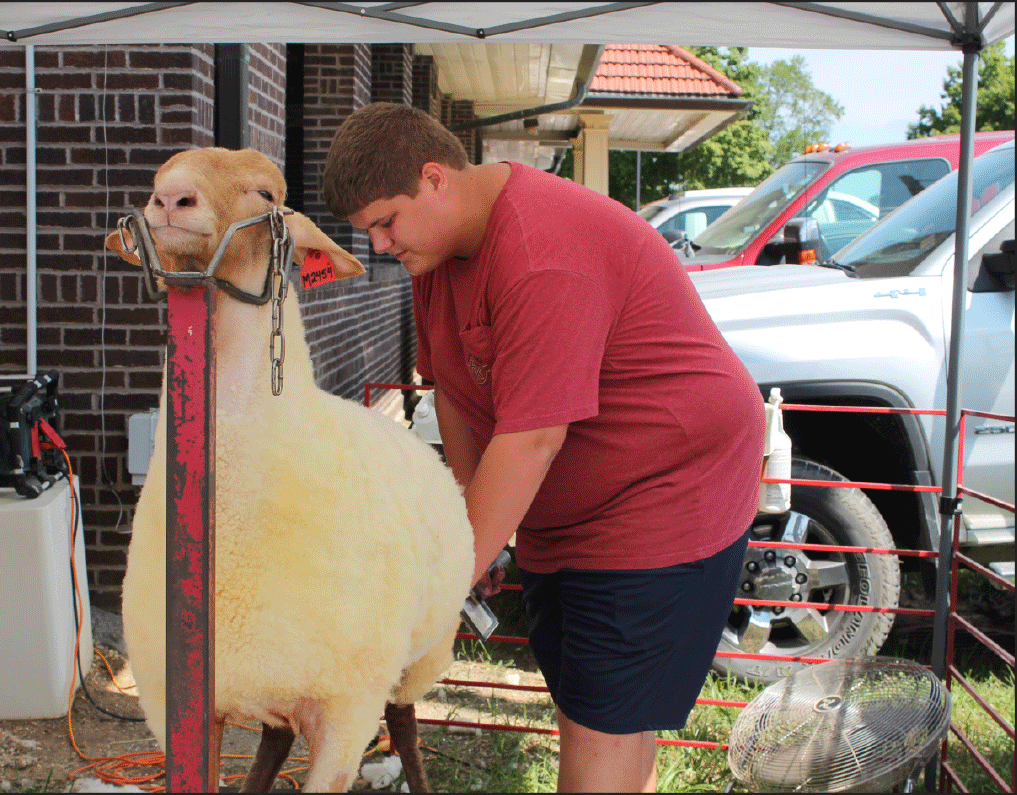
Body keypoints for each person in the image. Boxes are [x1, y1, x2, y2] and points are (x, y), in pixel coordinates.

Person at [322, 102, 764, 793]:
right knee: (593, 708)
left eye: (385, 221)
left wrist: (446, 578)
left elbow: (531, 441)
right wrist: (476, 535)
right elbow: (455, 397)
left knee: (602, 721)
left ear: (435, 178)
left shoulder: (538, 251)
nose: (378, 245)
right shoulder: (435, 256)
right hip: (574, 507)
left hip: (667, 488)